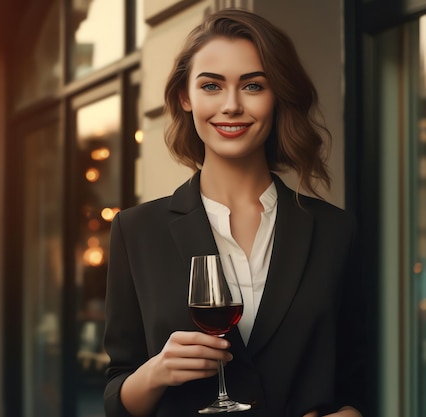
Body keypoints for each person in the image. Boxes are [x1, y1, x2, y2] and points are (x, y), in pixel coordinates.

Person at [103, 8, 367, 417]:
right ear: (184, 97)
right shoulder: (136, 231)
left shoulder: (336, 231)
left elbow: (358, 383)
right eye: (211, 85)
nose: (231, 105)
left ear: (276, 96)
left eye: (253, 86)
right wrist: (156, 372)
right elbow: (118, 397)